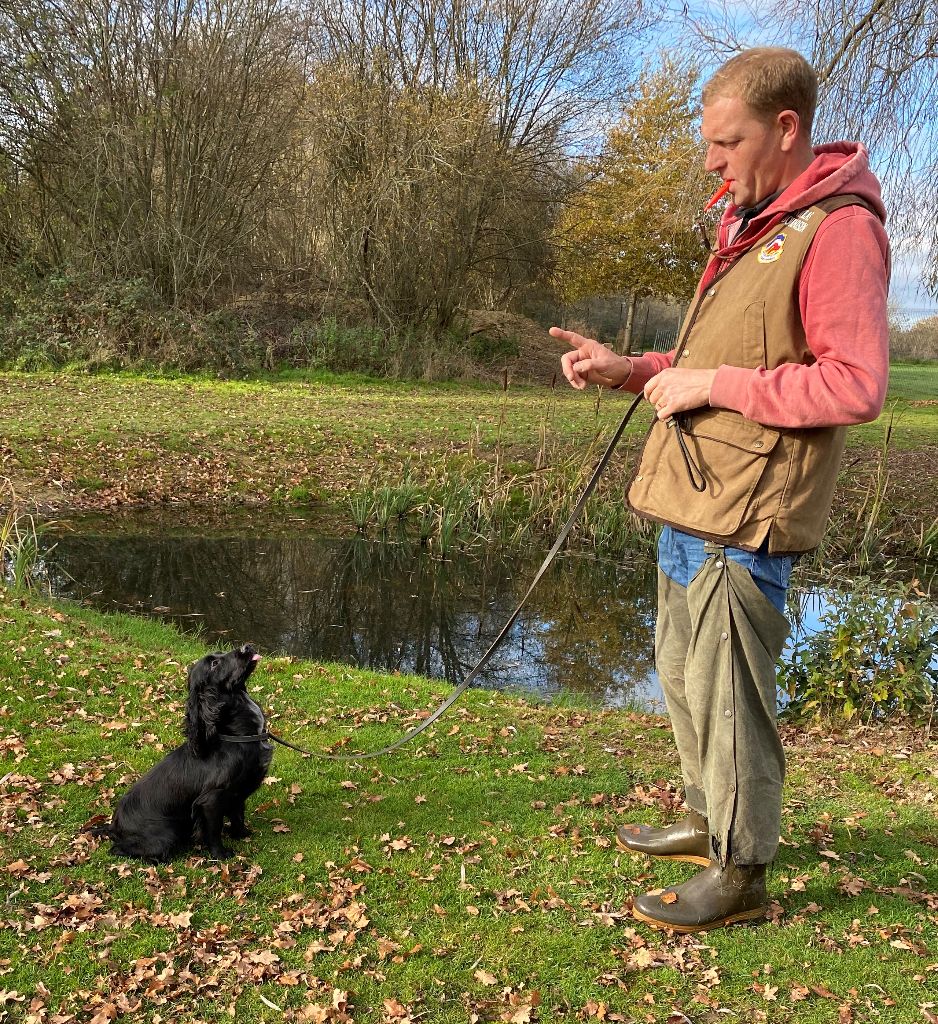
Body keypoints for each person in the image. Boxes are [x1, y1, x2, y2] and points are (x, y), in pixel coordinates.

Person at [550, 47, 890, 932]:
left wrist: (712, 388)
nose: (710, 159)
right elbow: (709, 361)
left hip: (747, 514)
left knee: (732, 697)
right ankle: (708, 822)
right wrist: (630, 369)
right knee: (684, 677)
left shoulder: (836, 228)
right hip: (692, 500)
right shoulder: (751, 224)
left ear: (786, 129)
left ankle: (742, 876)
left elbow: (855, 384)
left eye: (724, 141)